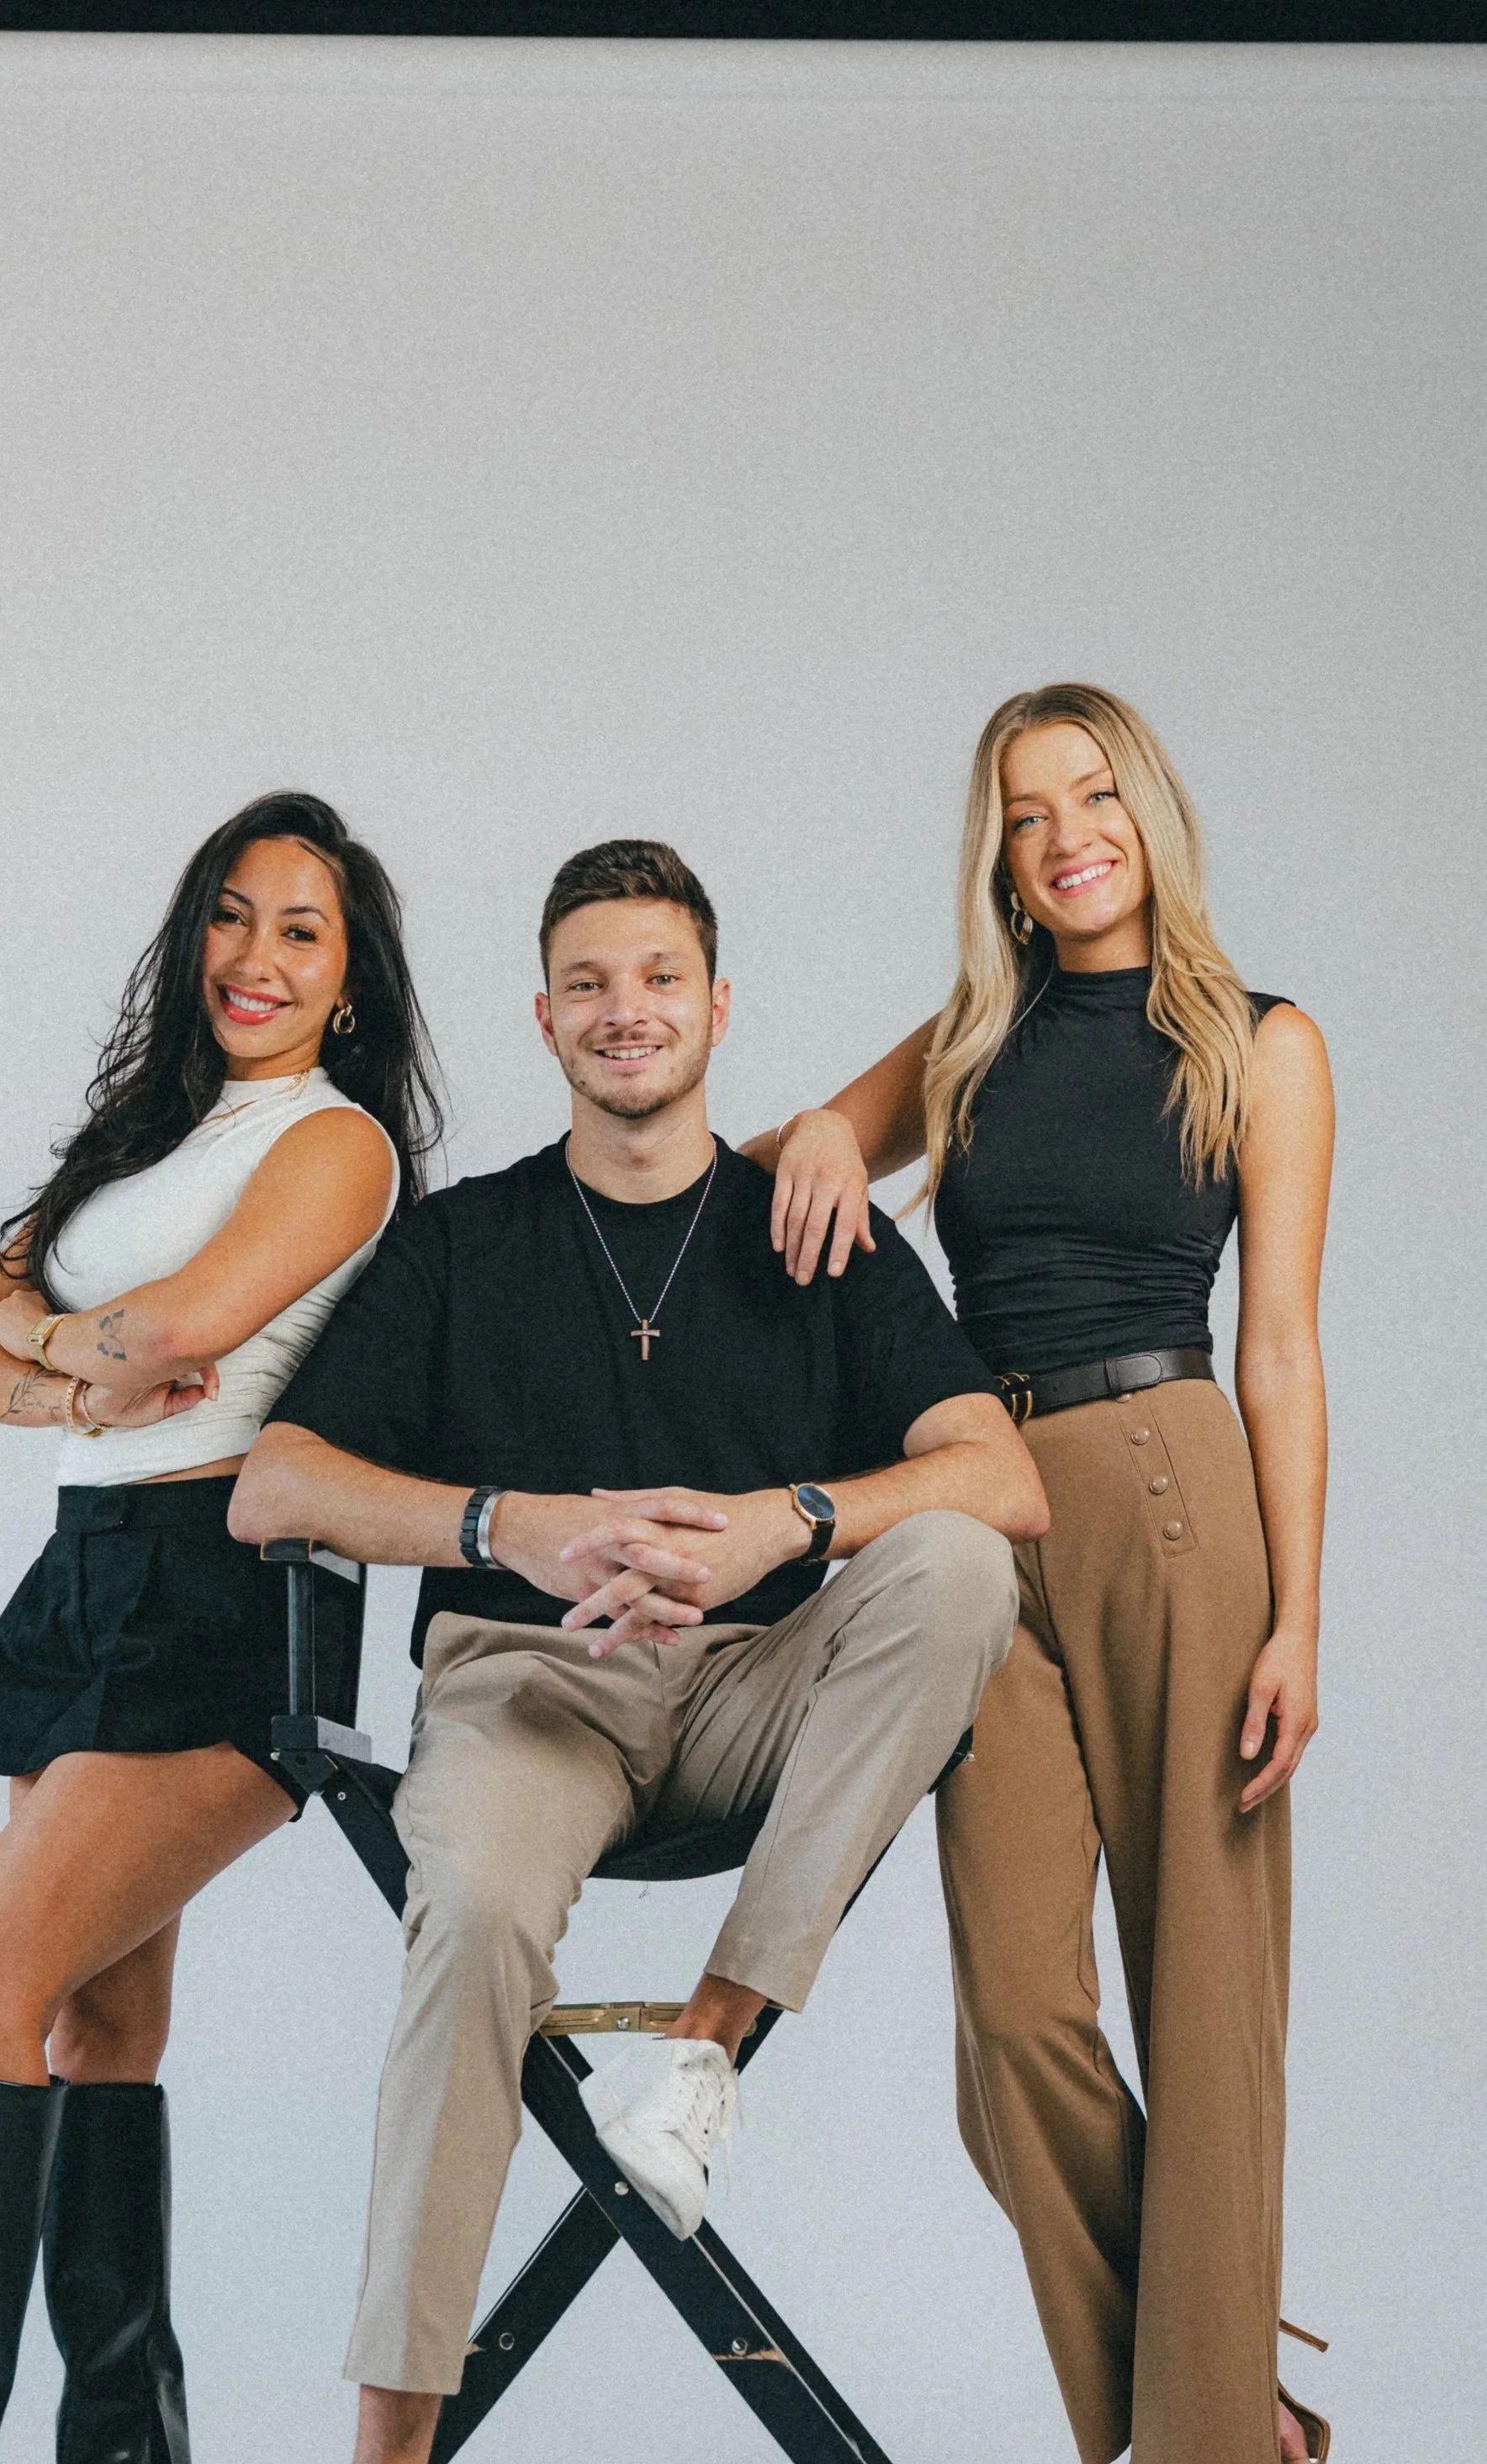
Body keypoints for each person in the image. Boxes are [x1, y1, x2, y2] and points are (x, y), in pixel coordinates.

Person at [230, 836, 1046, 2464]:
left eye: (660, 978)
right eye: (590, 984)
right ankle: (389, 2447)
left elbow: (1001, 1480)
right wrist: (502, 1525)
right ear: (543, 1019)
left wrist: (785, 1521)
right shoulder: (462, 1242)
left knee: (956, 1565)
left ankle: (704, 2052)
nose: (627, 1012)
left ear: (719, 1008)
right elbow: (276, 1484)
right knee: (461, 1919)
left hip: (761, 1691)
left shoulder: (817, 1229)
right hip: (531, 1697)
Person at [745, 685, 1336, 2464]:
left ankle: (1200, 2444)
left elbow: (1283, 1350)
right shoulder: (970, 1042)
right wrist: (839, 1136)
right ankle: (1238, 2415)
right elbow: (792, 1159)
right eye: (1026, 811)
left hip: (1172, 1491)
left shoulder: (1258, 1038)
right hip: (975, 1517)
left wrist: (1300, 1615)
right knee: (1013, 2026)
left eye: (1094, 795)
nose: (1068, 832)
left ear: (1149, 814)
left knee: (1208, 2007)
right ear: (997, 858)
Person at [0, 792, 442, 2464]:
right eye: (231, 916)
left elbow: (180, 1329)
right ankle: (128, 2450)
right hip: (79, 1580)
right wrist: (63, 1357)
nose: (255, 956)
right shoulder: (139, 1142)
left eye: (300, 931)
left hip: (221, 1588)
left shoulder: (332, 1147)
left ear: (349, 982)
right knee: (88, 2025)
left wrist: (52, 1344)